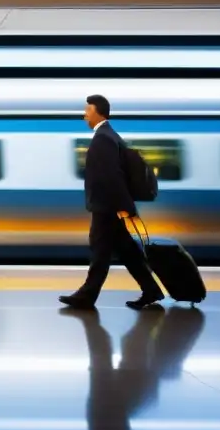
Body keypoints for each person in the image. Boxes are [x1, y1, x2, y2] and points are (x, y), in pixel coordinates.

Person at [59, 95, 163, 310]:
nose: (84, 114)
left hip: (107, 207)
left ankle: (87, 296)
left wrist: (125, 207)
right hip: (109, 206)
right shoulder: (109, 135)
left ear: (98, 112)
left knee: (100, 251)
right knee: (127, 251)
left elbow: (112, 176)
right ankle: (151, 289)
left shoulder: (103, 138)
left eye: (88, 110)